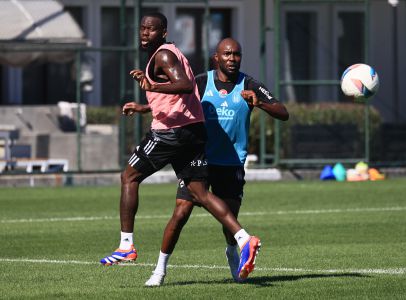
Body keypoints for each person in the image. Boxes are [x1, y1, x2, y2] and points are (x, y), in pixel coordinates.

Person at [99, 13, 261, 283]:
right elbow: (185, 93)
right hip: (194, 132)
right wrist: (144, 106)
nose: (145, 33)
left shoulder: (163, 56)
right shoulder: (167, 53)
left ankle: (126, 245)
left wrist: (153, 85)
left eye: (151, 29)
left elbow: (186, 86)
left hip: (171, 133)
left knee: (129, 176)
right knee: (199, 193)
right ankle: (244, 239)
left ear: (163, 32)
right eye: (142, 28)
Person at [144, 38, 289, 286]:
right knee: (181, 212)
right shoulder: (201, 82)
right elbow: (176, 101)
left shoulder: (249, 84)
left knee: (229, 219)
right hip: (199, 157)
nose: (232, 59)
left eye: (237, 55)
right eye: (227, 54)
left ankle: (232, 251)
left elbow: (283, 112)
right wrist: (141, 107)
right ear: (216, 58)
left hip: (232, 162)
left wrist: (259, 102)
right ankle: (159, 270)